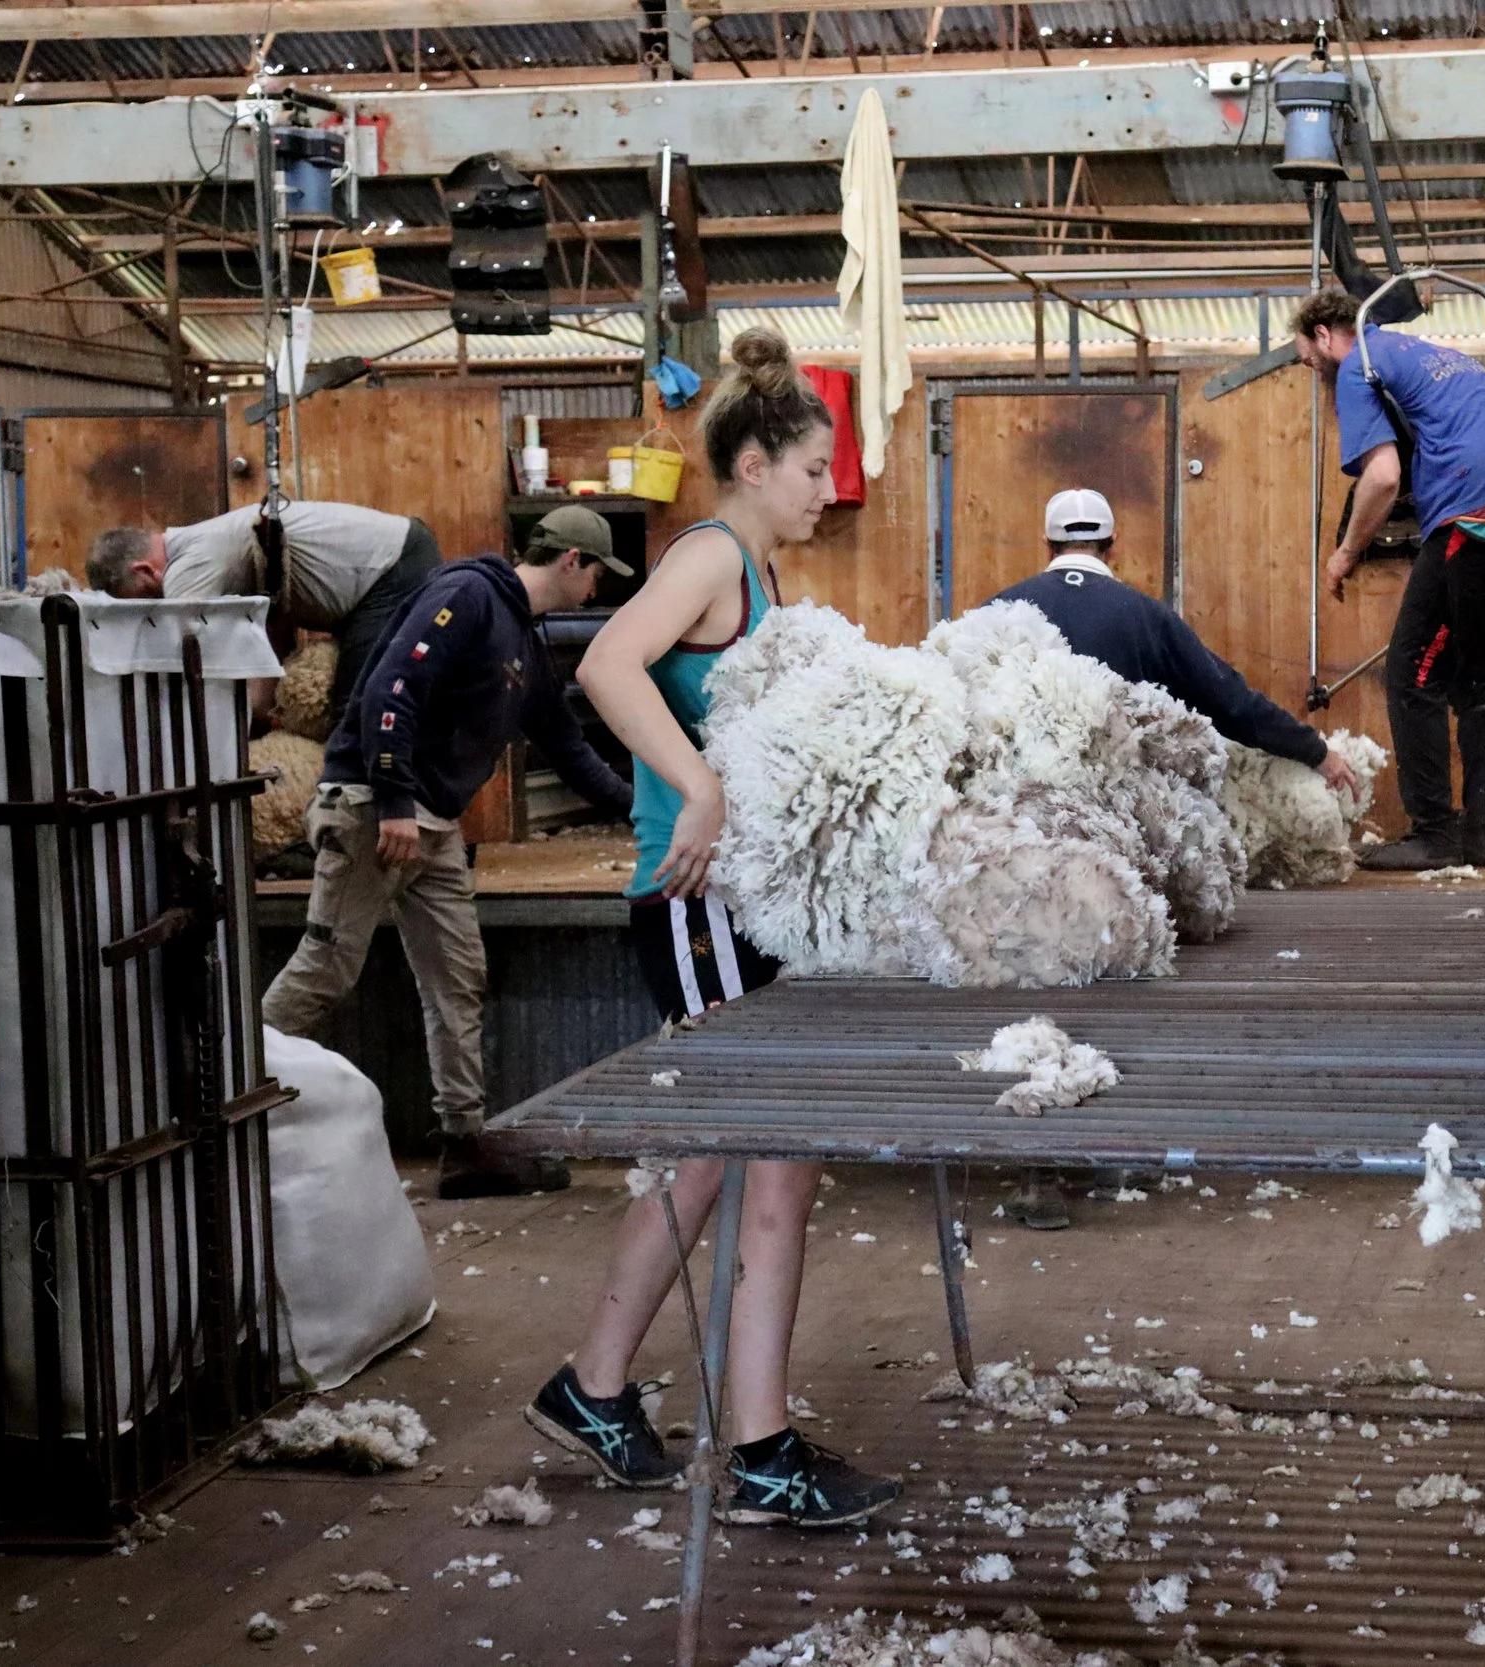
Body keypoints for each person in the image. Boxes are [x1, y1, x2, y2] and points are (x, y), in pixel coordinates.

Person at [527, 326, 902, 1529]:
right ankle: (761, 1450)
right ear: (751, 465)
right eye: (810, 468)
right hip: (694, 903)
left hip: (736, 903)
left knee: (710, 1162)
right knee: (776, 1166)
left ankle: (593, 1387)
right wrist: (698, 788)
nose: (824, 488)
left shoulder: (760, 570)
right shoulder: (706, 557)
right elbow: (608, 668)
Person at [989, 485, 1361, 1230]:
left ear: (1047, 545)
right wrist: (1316, 750)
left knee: (1033, 979)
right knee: (1117, 973)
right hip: (1120, 828)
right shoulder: (1145, 615)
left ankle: (1034, 1160)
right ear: (1114, 547)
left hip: (1020, 828)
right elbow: (1228, 700)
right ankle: (1106, 1142)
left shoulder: (1002, 613)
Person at [260, 507, 635, 1201]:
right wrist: (395, 800)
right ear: (571, 561)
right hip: (377, 807)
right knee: (329, 966)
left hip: (431, 823)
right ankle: (237, 1096)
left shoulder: (523, 634)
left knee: (457, 975)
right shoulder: (466, 595)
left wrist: (639, 807)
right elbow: (391, 688)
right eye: (597, 575)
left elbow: (566, 742)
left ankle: (463, 1142)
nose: (597, 592)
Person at [1292, 287, 1485, 871]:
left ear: (1323, 336)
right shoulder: (1426, 354)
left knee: (1411, 671)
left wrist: (1344, 553)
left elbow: (1385, 477)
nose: (1310, 370)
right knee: (1480, 675)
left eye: (1307, 359)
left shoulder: (1359, 363)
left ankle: (1435, 834)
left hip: (1478, 515)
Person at [89, 501, 446, 726]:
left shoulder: (189, 568)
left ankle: (369, 822)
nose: (153, 604)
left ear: (143, 571)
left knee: (355, 707)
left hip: (392, 566)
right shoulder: (202, 545)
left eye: (143, 597)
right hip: (393, 557)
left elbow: (182, 656)